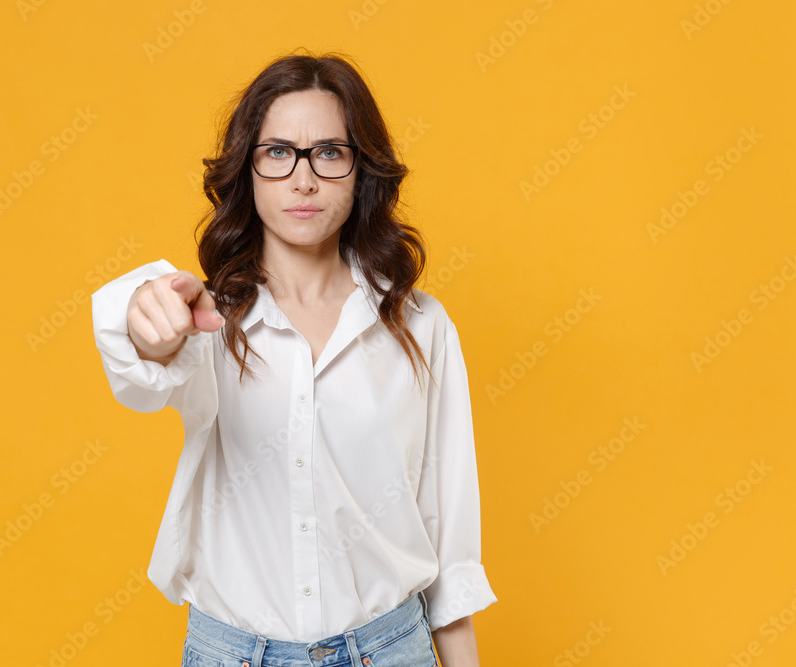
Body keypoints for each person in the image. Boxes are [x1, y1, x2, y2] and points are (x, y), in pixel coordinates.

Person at [91, 50, 497, 667]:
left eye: (329, 153)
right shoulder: (206, 318)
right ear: (247, 171)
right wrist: (145, 323)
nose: (303, 179)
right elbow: (144, 368)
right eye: (278, 152)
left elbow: (450, 539)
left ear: (362, 170)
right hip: (232, 653)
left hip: (390, 650)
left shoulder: (421, 326)